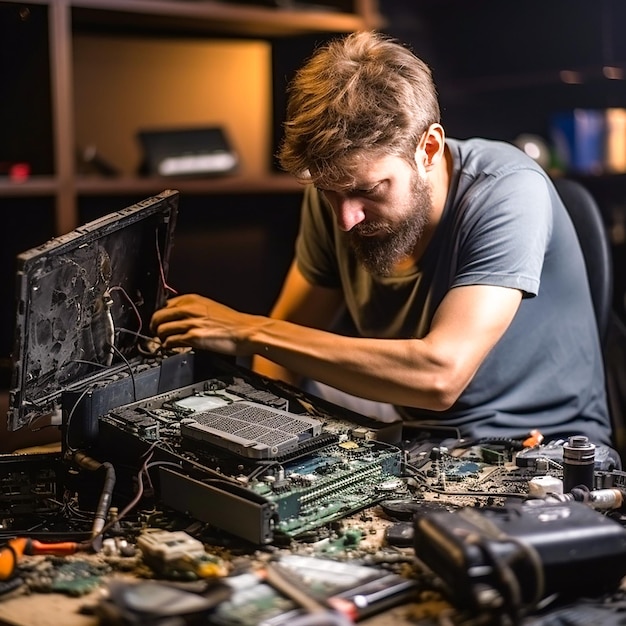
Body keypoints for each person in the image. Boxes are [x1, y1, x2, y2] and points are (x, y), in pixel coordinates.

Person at [151, 30, 612, 447]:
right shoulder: (336, 192)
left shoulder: (508, 190)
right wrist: (262, 447)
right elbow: (283, 355)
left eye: (367, 191)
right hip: (418, 433)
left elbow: (439, 377)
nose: (346, 218)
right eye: (329, 192)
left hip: (542, 449)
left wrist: (248, 329)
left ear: (427, 148)